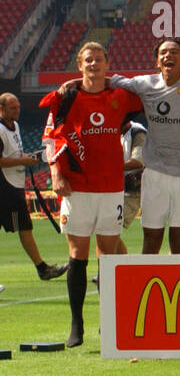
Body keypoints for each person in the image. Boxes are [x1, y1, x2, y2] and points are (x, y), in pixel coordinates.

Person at [61, 39, 180, 256]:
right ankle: (148, 288)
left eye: (174, 52)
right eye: (163, 53)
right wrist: (76, 82)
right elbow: (106, 82)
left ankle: (176, 286)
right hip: (155, 173)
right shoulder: (144, 84)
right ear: (157, 61)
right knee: (151, 241)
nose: (167, 56)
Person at [40, 43, 144, 347]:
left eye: (99, 59)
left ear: (107, 63)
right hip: (76, 186)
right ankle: (77, 324)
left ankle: (108, 322)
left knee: (109, 255)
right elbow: (50, 138)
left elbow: (148, 90)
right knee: (78, 254)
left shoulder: (120, 96)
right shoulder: (66, 97)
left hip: (112, 186)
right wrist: (55, 172)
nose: (94, 64)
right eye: (88, 60)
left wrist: (115, 80)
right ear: (79, 64)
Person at [0, 93, 69, 282]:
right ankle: (42, 268)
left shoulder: (15, 126)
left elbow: (14, 154)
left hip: (14, 184)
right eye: (13, 108)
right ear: (2, 109)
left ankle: (42, 268)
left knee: (25, 227)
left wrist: (29, 158)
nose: (17, 111)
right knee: (24, 227)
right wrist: (23, 160)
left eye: (18, 107)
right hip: (5, 186)